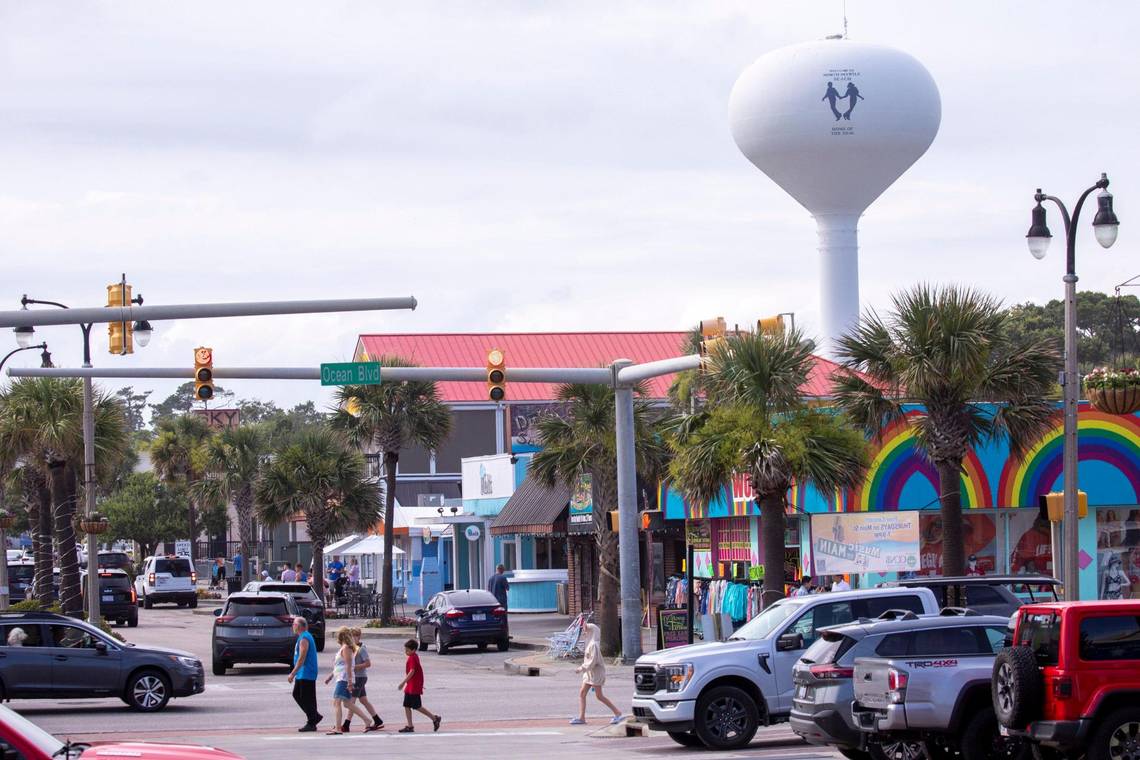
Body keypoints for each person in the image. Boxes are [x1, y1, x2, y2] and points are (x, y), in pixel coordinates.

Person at [569, 623, 622, 725]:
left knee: (599, 696)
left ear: (592, 632)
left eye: (587, 630)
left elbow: (592, 661)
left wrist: (581, 668)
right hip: (589, 674)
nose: (585, 632)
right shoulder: (590, 643)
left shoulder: (593, 645)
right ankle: (582, 717)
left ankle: (618, 713)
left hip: (596, 673)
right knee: (582, 693)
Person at [323, 627, 372, 735]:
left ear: (342, 636)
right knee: (347, 704)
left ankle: (338, 728)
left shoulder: (347, 648)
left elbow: (349, 666)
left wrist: (350, 682)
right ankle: (367, 720)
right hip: (341, 677)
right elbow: (339, 665)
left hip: (344, 679)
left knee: (337, 702)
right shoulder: (344, 647)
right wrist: (331, 677)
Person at [342, 627, 384, 733]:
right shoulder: (352, 648)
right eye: (351, 637)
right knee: (363, 700)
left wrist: (356, 667)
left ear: (359, 637)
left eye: (354, 636)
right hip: (357, 677)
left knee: (351, 701)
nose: (352, 639)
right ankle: (377, 719)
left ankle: (346, 724)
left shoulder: (362, 648)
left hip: (360, 677)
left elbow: (368, 663)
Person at [397, 638, 441, 733]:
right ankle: (410, 726)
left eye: (407, 650)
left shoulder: (413, 657)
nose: (406, 652)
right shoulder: (413, 656)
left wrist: (403, 682)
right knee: (406, 705)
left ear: (413, 650)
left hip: (414, 686)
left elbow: (412, 671)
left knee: (417, 706)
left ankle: (434, 718)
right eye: (405, 650)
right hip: (410, 685)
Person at [287, 616, 322, 731]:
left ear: (299, 626)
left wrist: (292, 673)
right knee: (299, 695)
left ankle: (312, 719)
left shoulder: (304, 638)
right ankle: (313, 717)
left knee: (305, 696)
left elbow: (302, 657)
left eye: (294, 624)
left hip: (306, 671)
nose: (293, 626)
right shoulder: (303, 637)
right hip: (302, 672)